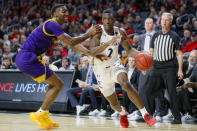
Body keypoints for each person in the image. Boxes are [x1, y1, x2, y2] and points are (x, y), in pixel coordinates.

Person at [15, 4, 101, 130]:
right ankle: (40, 113)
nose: (67, 13)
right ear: (55, 14)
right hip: (28, 58)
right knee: (58, 85)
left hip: (27, 58)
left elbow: (73, 45)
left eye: (67, 11)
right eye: (63, 11)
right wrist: (89, 34)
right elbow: (71, 41)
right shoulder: (52, 23)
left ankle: (43, 114)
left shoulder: (55, 28)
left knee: (55, 84)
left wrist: (90, 53)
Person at [89, 9, 157, 128]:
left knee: (126, 84)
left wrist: (143, 55)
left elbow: (129, 50)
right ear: (102, 20)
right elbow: (92, 51)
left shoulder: (120, 32)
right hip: (101, 71)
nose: (107, 21)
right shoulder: (98, 32)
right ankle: (122, 113)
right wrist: (107, 44)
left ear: (114, 20)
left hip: (115, 65)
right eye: (105, 19)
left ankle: (146, 114)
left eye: (110, 19)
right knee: (113, 102)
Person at [149, 12, 184, 124]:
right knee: (152, 90)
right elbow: (151, 52)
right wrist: (147, 66)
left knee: (172, 92)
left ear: (170, 22)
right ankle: (157, 113)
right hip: (156, 66)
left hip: (169, 67)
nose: (163, 21)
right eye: (162, 19)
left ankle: (177, 118)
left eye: (166, 20)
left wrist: (180, 69)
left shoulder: (174, 36)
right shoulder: (155, 35)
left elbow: (179, 54)